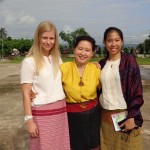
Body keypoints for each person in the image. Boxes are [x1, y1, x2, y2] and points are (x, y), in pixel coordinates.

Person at [20, 21, 70, 150]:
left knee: (61, 146)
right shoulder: (29, 62)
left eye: (51, 38)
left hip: (60, 111)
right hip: (42, 114)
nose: (48, 42)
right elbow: (26, 94)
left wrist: (94, 65)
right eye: (45, 38)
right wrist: (29, 121)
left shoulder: (57, 59)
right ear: (38, 38)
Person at [98, 27, 144, 150]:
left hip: (124, 118)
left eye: (117, 40)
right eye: (109, 41)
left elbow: (137, 91)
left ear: (122, 42)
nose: (113, 44)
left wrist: (131, 117)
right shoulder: (101, 64)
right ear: (105, 42)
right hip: (106, 121)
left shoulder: (129, 61)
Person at [60, 36, 101, 150]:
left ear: (92, 53)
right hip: (71, 117)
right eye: (80, 49)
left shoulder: (97, 69)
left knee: (93, 144)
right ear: (74, 49)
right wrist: (33, 92)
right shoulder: (63, 68)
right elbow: (49, 85)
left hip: (93, 115)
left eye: (87, 50)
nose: (83, 53)